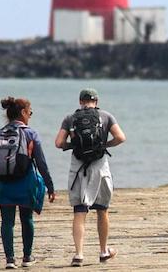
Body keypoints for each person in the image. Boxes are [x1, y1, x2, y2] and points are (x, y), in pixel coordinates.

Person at [54, 88, 126, 267]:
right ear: (96, 100)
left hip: (78, 167)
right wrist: (103, 145)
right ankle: (103, 251)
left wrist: (73, 146)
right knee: (102, 210)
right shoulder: (106, 116)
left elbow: (58, 143)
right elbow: (121, 137)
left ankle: (78, 254)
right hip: (100, 167)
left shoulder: (70, 118)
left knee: (79, 211)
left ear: (80, 101)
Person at [0, 97, 55, 269]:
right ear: (23, 113)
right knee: (26, 218)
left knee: (7, 221)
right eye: (30, 112)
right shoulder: (31, 133)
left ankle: (9, 259)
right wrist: (50, 186)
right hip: (25, 182)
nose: (30, 115)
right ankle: (27, 257)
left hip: (3, 183)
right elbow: (42, 163)